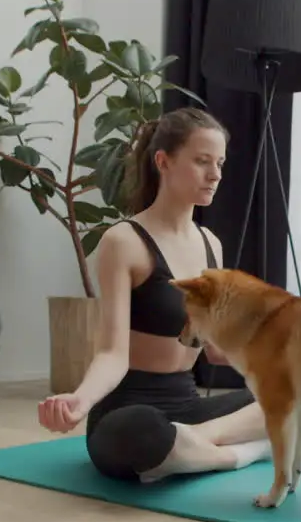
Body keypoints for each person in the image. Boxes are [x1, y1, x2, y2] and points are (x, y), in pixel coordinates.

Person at [35, 107, 276, 484]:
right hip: (131, 411)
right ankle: (237, 453)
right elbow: (112, 354)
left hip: (188, 408)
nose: (215, 175)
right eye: (201, 162)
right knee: (142, 432)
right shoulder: (124, 242)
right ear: (163, 161)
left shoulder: (211, 244)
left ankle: (195, 447)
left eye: (220, 163)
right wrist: (79, 401)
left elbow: (214, 348)